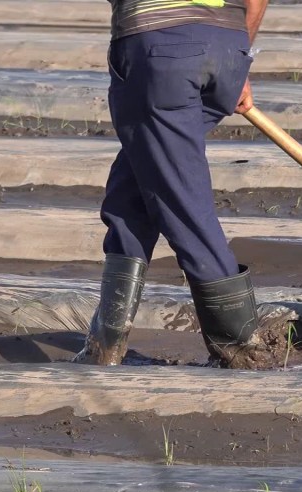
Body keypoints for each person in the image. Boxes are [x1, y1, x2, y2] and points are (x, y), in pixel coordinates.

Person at [73, 0, 270, 368]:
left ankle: (241, 350)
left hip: (162, 49)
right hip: (227, 47)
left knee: (181, 200)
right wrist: (240, 58)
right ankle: (105, 343)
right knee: (131, 191)